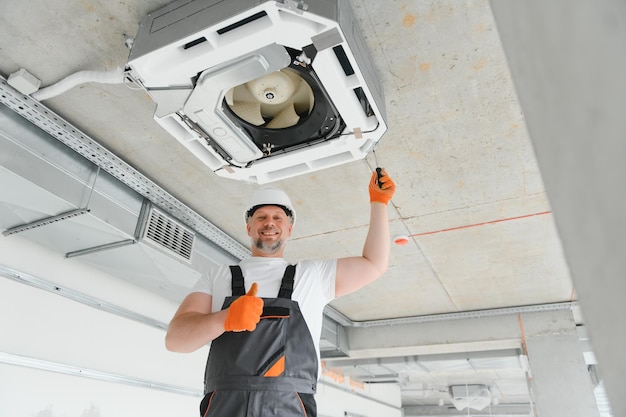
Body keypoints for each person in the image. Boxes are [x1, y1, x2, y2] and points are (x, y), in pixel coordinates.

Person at [165, 168, 396, 417]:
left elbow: (374, 264)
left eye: (278, 217)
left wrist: (379, 204)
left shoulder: (313, 275)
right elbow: (175, 341)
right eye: (261, 217)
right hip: (224, 406)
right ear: (249, 227)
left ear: (289, 229)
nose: (270, 223)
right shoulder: (218, 276)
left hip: (290, 406)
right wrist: (225, 318)